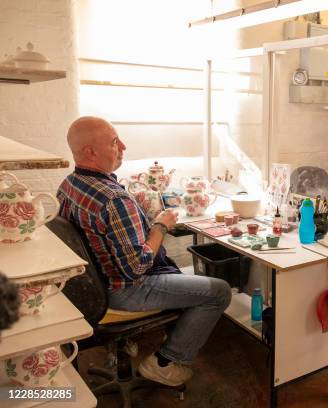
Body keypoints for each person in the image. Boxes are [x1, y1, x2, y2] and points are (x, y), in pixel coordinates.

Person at [57, 116, 231, 387]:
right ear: (90, 152)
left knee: (182, 273)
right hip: (124, 290)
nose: (123, 146)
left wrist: (137, 218)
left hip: (90, 287)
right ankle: (167, 361)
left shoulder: (69, 184)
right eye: (115, 142)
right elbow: (136, 266)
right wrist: (160, 226)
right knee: (219, 291)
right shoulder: (115, 199)